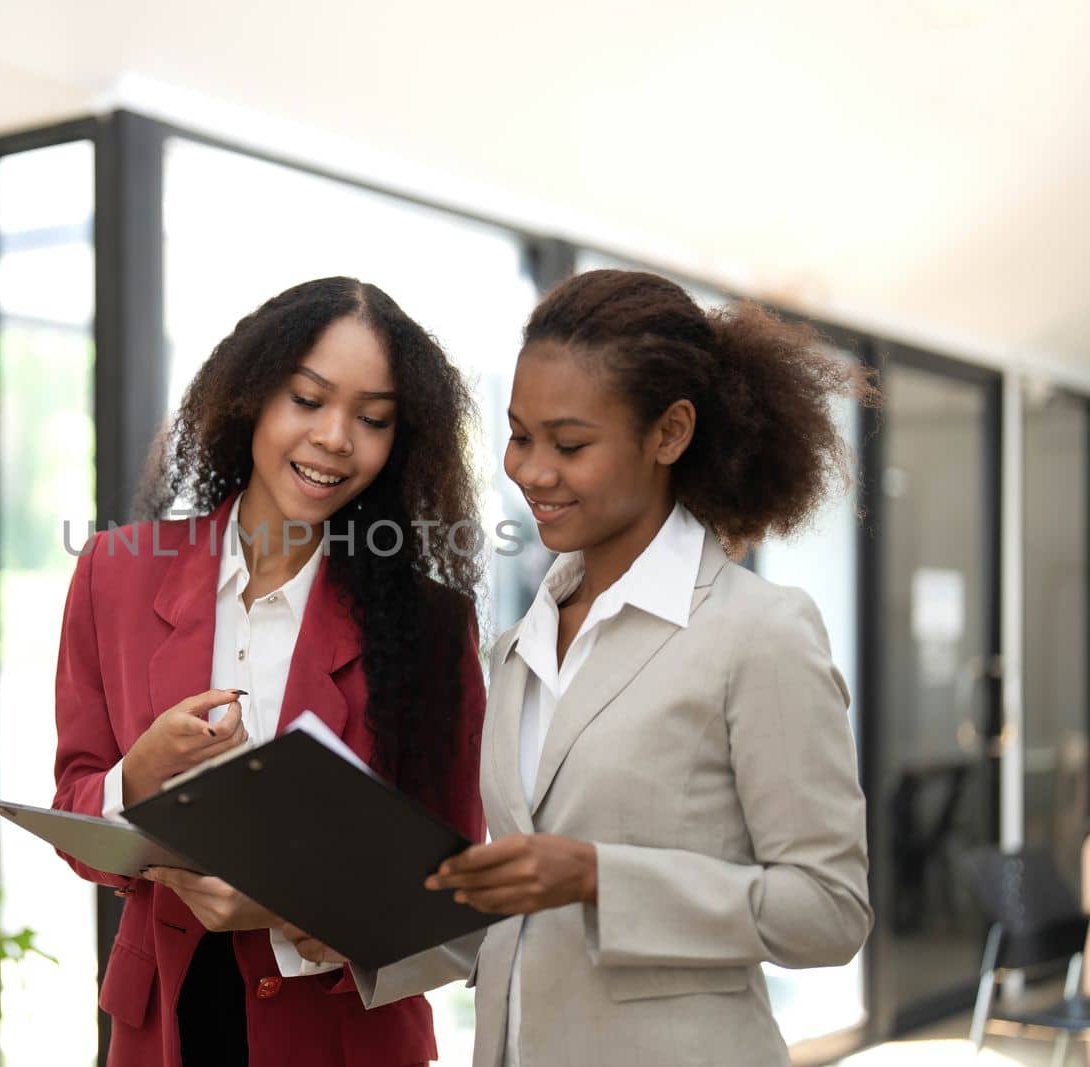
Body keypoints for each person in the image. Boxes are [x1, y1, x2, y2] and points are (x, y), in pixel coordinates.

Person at [290, 268, 874, 1067]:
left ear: (670, 433)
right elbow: (522, 923)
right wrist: (364, 929)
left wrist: (599, 876)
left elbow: (831, 911)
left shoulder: (758, 632)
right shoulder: (522, 641)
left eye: (569, 444)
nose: (529, 470)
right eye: (519, 435)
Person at [51, 276, 488, 1067]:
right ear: (252, 395)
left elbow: (454, 902)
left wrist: (291, 909)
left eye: (373, 418)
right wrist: (136, 778)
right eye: (308, 399)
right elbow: (76, 812)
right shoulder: (114, 575)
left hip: (344, 1040)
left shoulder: (430, 625)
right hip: (166, 1030)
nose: (335, 438)